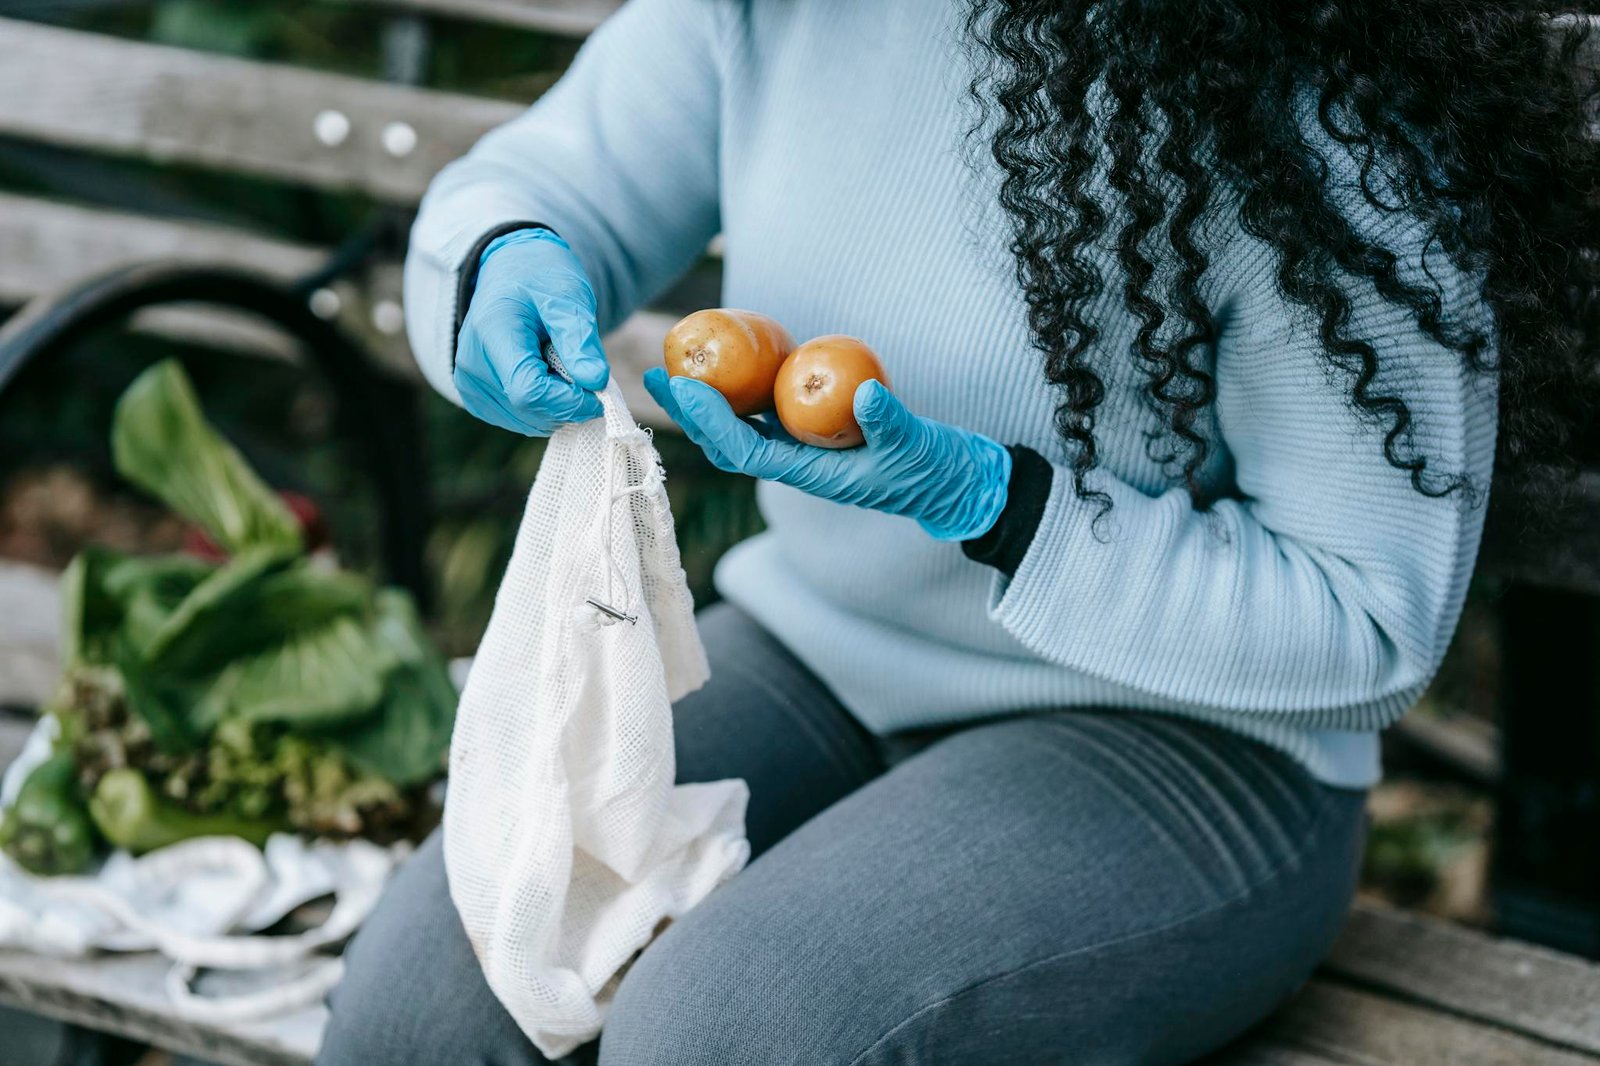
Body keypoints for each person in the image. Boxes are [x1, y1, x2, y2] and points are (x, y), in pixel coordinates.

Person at [319, 1, 1599, 1063]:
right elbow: (550, 180)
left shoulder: (1311, 76)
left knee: (722, 1035)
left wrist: (999, 505)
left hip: (1193, 746)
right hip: (821, 652)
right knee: (420, 1006)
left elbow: (1368, 622)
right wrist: (505, 254)